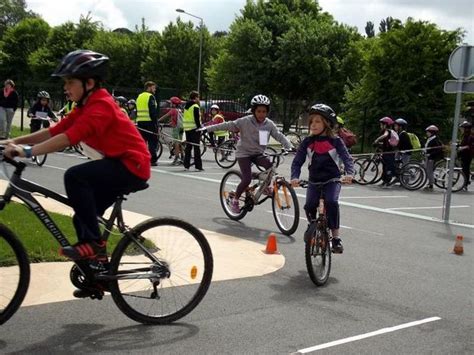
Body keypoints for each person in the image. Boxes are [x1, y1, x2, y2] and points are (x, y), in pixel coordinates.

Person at [1, 50, 151, 297]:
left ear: (89, 83)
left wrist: (26, 152)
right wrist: (11, 141)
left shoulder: (101, 104)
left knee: (74, 176)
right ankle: (98, 275)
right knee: (82, 217)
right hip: (117, 164)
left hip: (131, 166)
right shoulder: (85, 105)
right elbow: (53, 131)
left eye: (70, 81)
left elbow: (67, 138)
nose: (65, 88)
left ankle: (92, 245)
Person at [202, 94, 292, 213]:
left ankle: (264, 186)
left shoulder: (269, 124)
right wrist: (206, 129)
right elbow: (227, 125)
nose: (261, 114)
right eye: (259, 111)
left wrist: (289, 146)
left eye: (264, 111)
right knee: (247, 179)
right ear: (253, 111)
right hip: (244, 154)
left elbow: (279, 135)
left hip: (258, 153)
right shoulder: (245, 121)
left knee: (270, 166)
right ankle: (235, 199)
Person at [290, 104, 354, 254]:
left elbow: (347, 158)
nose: (313, 125)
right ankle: (312, 226)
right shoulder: (307, 142)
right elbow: (297, 161)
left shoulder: (336, 141)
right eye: (311, 122)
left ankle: (336, 238)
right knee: (309, 206)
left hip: (332, 180)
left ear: (327, 123)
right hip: (314, 181)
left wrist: (350, 174)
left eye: (317, 121)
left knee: (331, 202)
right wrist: (295, 177)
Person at [136, 81, 159, 166]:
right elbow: (152, 111)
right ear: (149, 87)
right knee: (152, 142)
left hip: (140, 122)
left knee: (142, 142)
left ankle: (140, 158)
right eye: (153, 88)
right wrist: (156, 123)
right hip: (149, 123)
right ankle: (153, 160)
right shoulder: (150, 96)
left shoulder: (139, 96)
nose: (155, 89)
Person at [158, 96, 184, 165]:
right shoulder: (179, 110)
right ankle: (183, 157)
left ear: (174, 104)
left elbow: (166, 116)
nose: (170, 104)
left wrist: (158, 121)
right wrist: (168, 123)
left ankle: (176, 157)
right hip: (181, 127)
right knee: (180, 142)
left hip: (176, 128)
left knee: (176, 143)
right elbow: (175, 120)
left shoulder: (173, 110)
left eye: (171, 103)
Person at [182, 91, 203, 171]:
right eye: (198, 97)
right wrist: (199, 128)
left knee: (188, 147)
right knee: (196, 148)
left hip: (187, 128)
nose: (199, 99)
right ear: (195, 97)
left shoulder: (186, 106)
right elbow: (196, 119)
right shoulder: (195, 106)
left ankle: (186, 165)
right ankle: (198, 166)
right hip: (194, 129)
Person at [373, 116, 397, 187]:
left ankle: (387, 181)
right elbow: (386, 142)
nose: (380, 126)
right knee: (384, 166)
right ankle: (384, 181)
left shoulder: (388, 131)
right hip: (386, 152)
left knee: (388, 167)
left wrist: (376, 140)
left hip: (389, 153)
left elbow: (384, 136)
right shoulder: (390, 131)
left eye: (381, 124)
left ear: (385, 125)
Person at [423, 125, 444, 191]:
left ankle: (431, 184)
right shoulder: (430, 139)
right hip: (429, 156)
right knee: (428, 170)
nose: (427, 133)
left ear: (432, 133)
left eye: (428, 132)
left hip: (432, 157)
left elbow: (438, 150)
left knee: (429, 170)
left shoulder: (435, 140)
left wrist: (430, 154)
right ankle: (431, 181)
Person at [458, 121, 473, 190]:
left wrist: (462, 147)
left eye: (462, 128)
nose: (461, 129)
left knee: (465, 169)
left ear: (466, 129)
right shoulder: (464, 136)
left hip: (467, 155)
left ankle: (465, 184)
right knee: (464, 169)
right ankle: (466, 182)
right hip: (463, 154)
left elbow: (470, 146)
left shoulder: (470, 136)